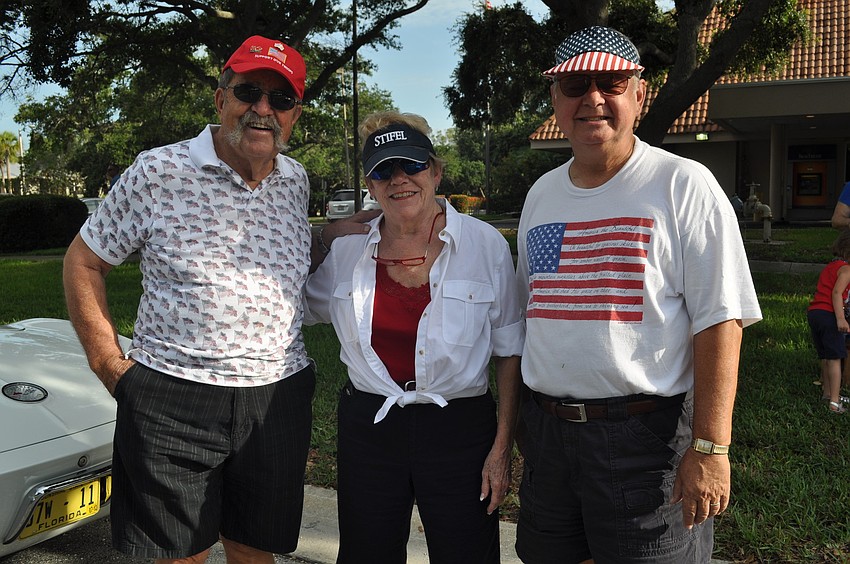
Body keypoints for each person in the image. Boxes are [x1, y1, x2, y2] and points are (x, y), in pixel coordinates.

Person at [63, 36, 366, 564]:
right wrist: (108, 363)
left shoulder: (294, 179)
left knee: (255, 550)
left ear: (294, 115)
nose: (263, 109)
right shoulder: (157, 171)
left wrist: (335, 235)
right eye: (249, 92)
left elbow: (288, 259)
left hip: (277, 395)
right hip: (172, 395)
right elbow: (83, 262)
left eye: (281, 99)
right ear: (221, 97)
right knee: (178, 556)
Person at [514, 26, 763, 563]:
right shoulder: (541, 195)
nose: (593, 98)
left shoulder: (682, 183)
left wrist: (711, 448)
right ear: (556, 99)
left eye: (611, 83)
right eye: (576, 85)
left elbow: (721, 320)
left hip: (645, 440)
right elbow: (529, 314)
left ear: (639, 94)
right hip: (548, 438)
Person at [304, 111, 524, 563]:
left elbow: (509, 349)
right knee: (367, 554)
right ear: (370, 185)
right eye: (383, 170)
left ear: (436, 172)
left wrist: (502, 448)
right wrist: (323, 239)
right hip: (370, 425)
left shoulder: (485, 245)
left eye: (412, 164)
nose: (399, 178)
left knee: (467, 554)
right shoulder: (348, 250)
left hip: (460, 428)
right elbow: (293, 305)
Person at [807, 229, 850, 413]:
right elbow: (836, 293)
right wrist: (840, 318)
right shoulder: (847, 270)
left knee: (825, 356)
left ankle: (827, 394)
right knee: (835, 358)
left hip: (815, 313)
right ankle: (835, 402)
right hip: (829, 315)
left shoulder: (831, 266)